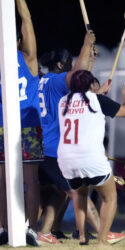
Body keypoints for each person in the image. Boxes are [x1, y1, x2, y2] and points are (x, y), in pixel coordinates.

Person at [37, 32, 102, 244]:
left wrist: (90, 56)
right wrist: (86, 42)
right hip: (53, 149)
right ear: (59, 64)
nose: (72, 65)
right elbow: (79, 74)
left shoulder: (44, 80)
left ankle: (47, 232)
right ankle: (104, 233)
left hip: (45, 146)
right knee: (78, 191)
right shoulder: (57, 81)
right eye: (69, 63)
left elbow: (81, 78)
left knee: (60, 192)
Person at [57, 70, 125, 246]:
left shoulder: (63, 101)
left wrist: (97, 94)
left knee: (80, 194)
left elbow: (82, 104)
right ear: (91, 85)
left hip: (67, 160)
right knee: (109, 197)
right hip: (90, 158)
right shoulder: (98, 101)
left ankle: (83, 237)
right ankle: (102, 240)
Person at [0, 0, 43, 246]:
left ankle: (32, 229)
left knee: (30, 180)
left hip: (25, 123)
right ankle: (5, 228)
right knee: (5, 181)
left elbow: (27, 21)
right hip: (5, 124)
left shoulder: (27, 58)